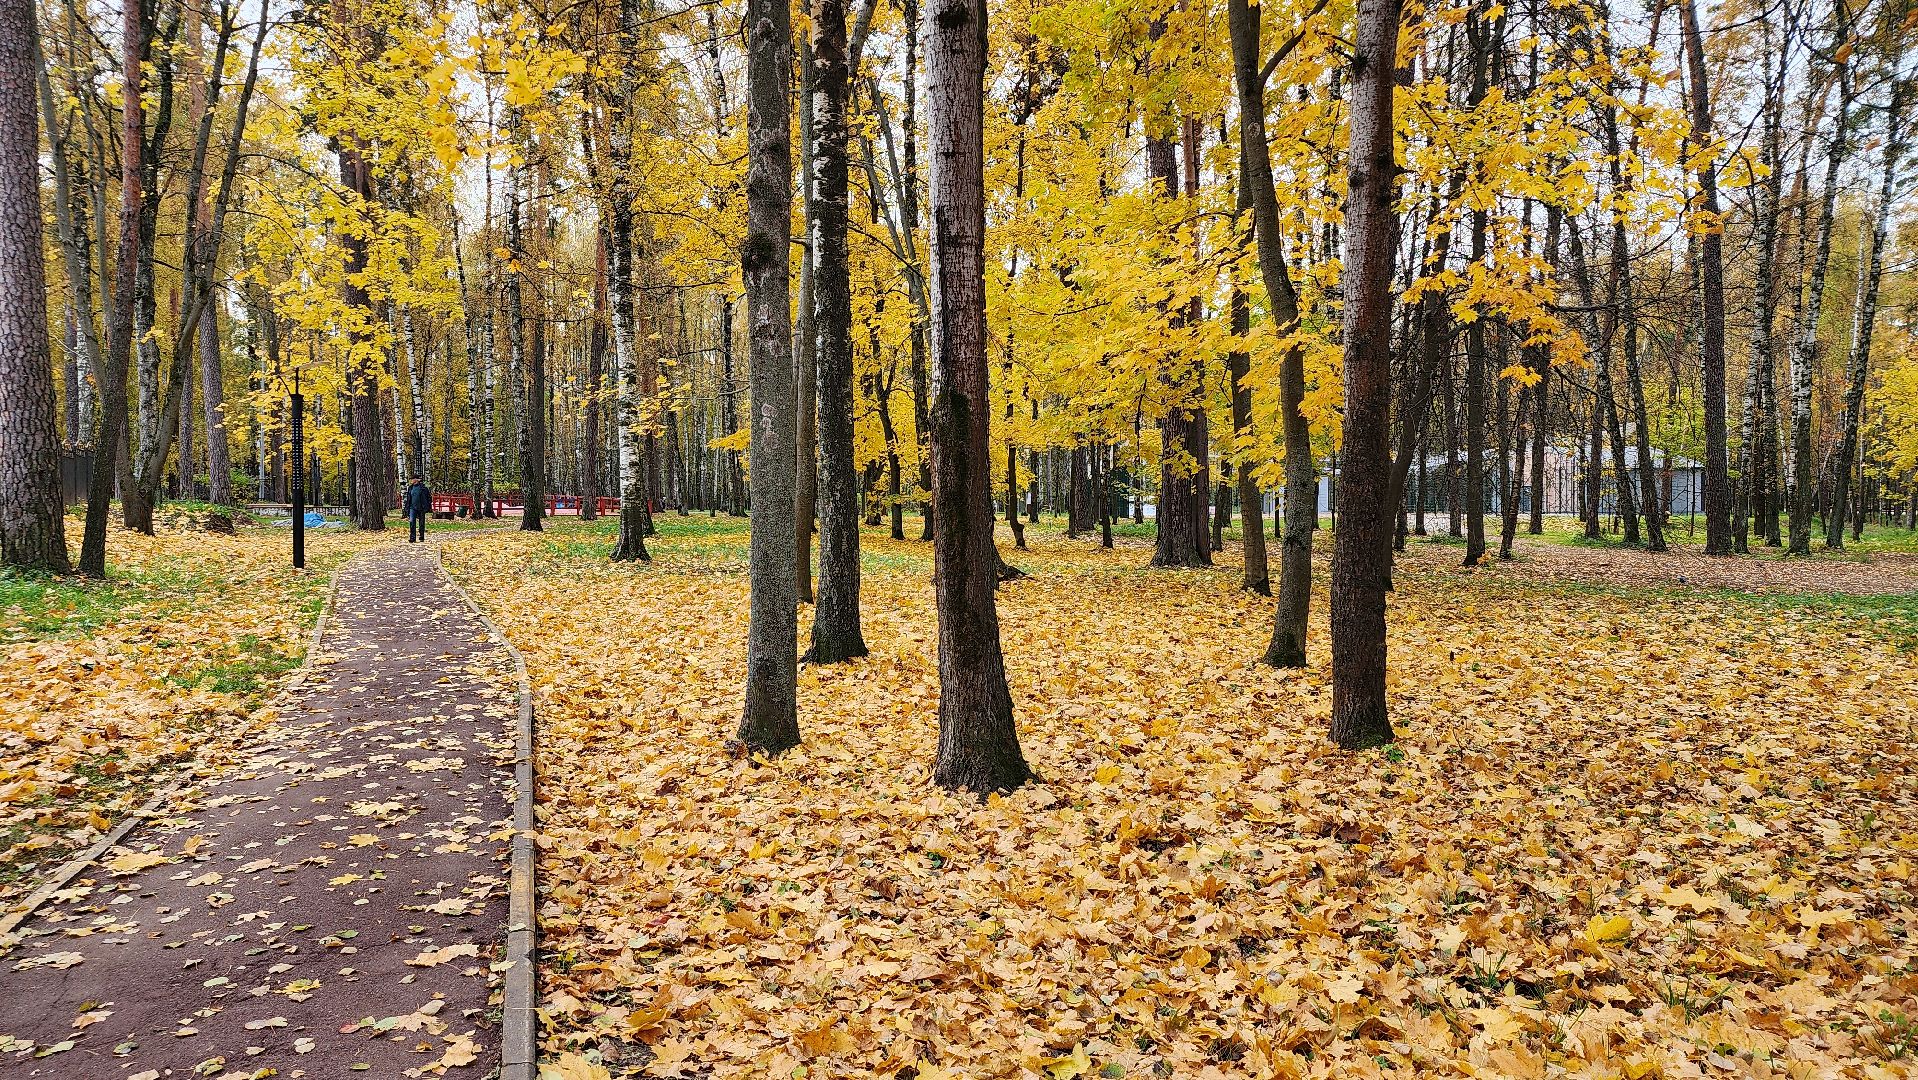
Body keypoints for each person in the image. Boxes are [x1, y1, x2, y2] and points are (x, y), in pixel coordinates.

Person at [404, 476, 431, 543]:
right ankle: (412, 538)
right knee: (412, 522)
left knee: (421, 523)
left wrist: (427, 506)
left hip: (421, 508)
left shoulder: (423, 488)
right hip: (412, 508)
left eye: (412, 479)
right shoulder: (410, 488)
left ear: (416, 480)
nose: (411, 480)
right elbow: (408, 498)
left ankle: (421, 536)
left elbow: (429, 498)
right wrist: (407, 507)